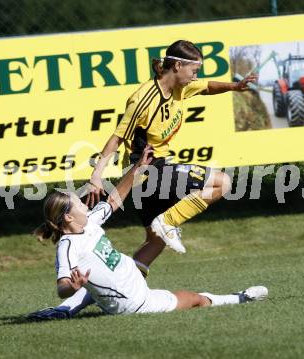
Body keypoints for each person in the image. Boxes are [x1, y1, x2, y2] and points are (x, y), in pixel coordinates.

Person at [29, 146, 267, 320]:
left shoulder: (89, 222)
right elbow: (62, 287)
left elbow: (115, 197)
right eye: (78, 204)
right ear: (69, 217)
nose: (84, 204)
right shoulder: (68, 245)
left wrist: (138, 167)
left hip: (130, 274)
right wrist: (73, 285)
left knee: (152, 245)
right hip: (134, 301)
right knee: (195, 299)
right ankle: (241, 297)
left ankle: (63, 311)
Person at [86, 39, 256, 277]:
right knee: (222, 182)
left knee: (155, 243)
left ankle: (119, 289)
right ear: (177, 66)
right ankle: (168, 222)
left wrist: (235, 87)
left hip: (145, 177)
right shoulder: (143, 99)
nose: (196, 77)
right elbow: (116, 138)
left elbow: (208, 87)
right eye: (194, 71)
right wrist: (96, 175)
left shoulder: (182, 87)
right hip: (147, 172)